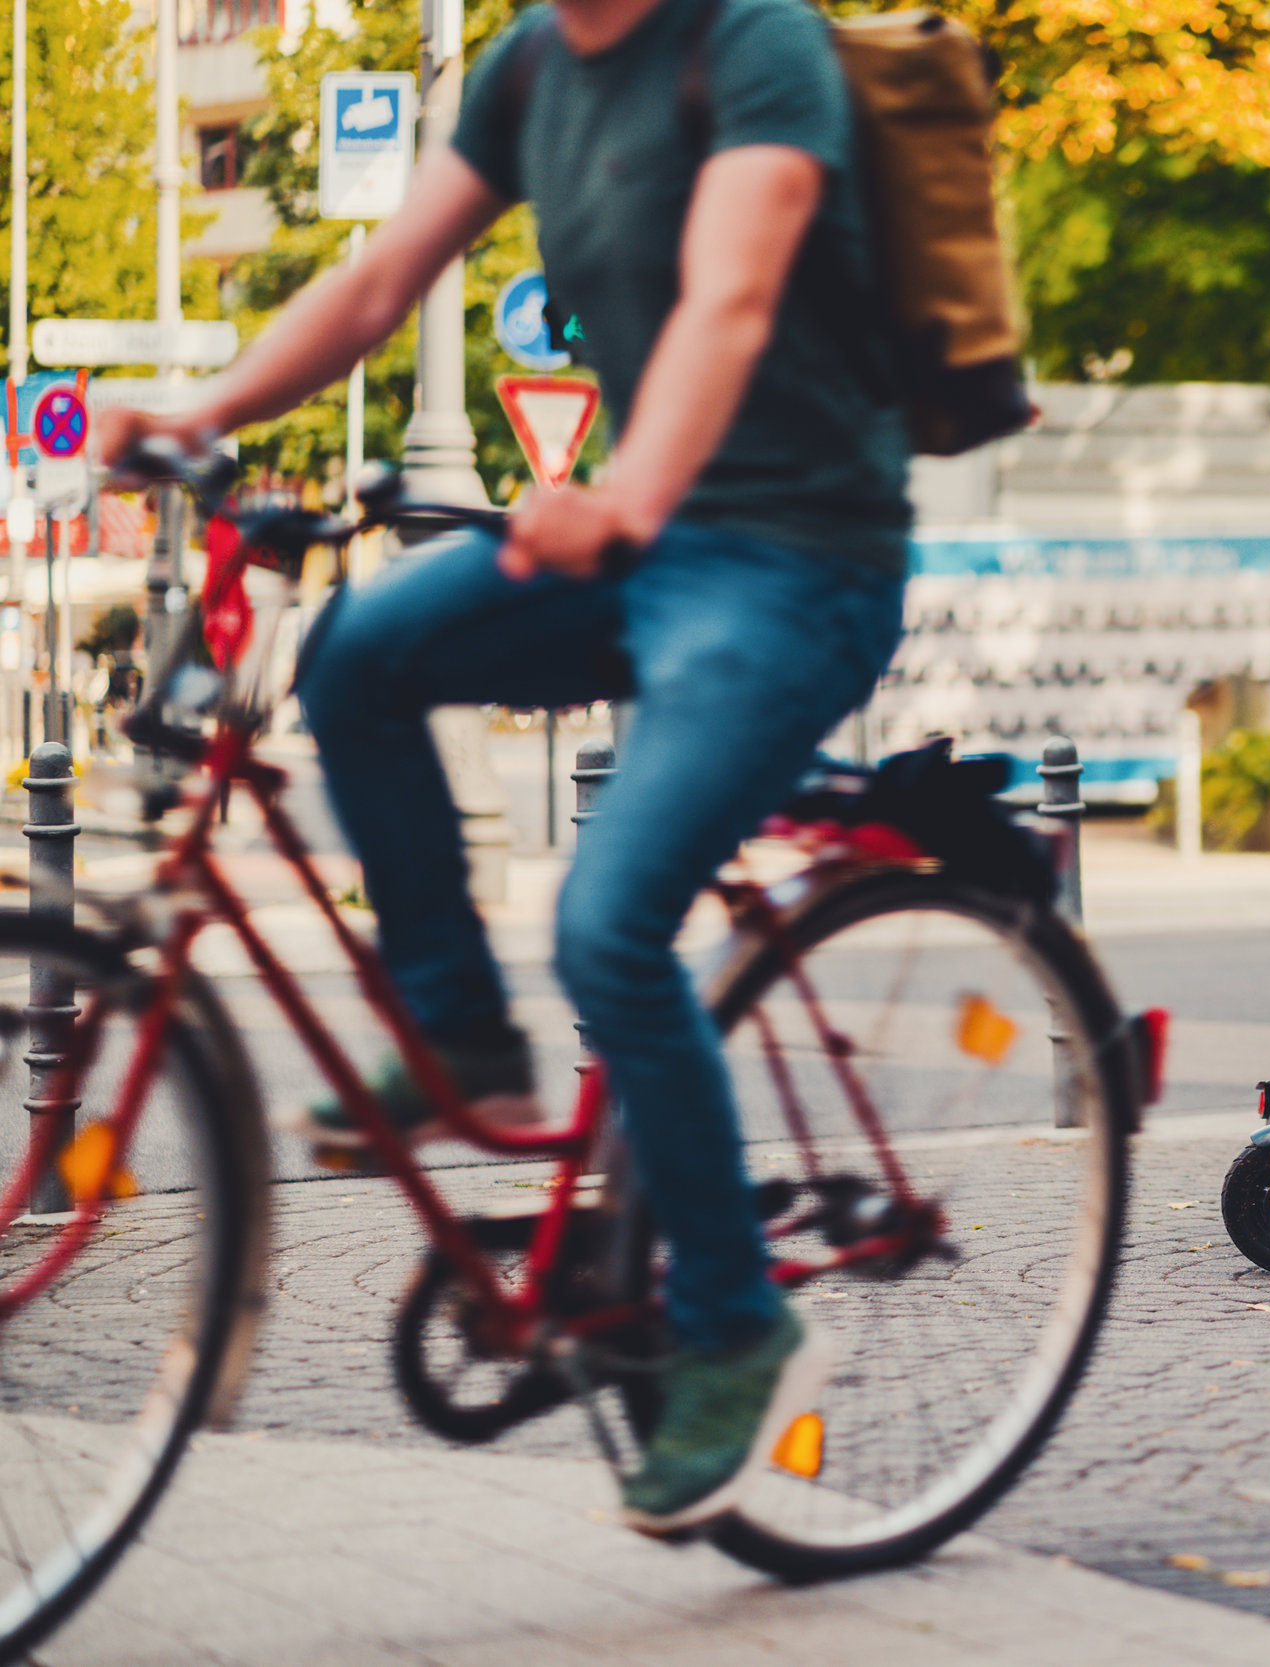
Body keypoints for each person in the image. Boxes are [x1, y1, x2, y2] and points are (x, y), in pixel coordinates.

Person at [96, 0, 909, 1536]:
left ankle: (735, 1323)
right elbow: (382, 281)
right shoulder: (531, 61)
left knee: (608, 922)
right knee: (357, 654)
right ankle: (463, 1038)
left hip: (795, 562)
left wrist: (628, 496)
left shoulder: (753, 46)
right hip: (639, 545)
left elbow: (731, 302)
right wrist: (199, 416)